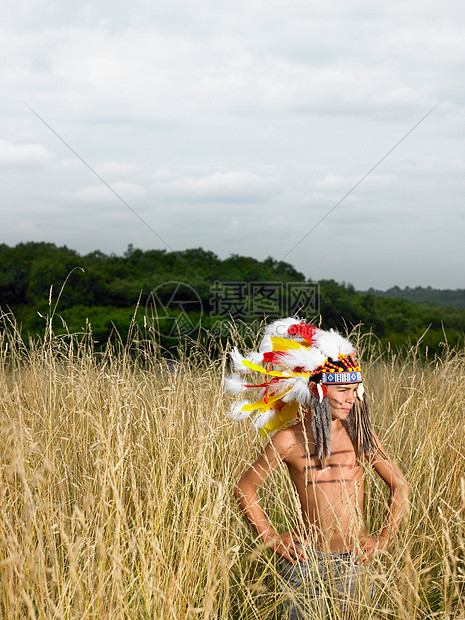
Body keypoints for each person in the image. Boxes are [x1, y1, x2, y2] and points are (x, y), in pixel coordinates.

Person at [225, 318, 409, 618]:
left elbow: (399, 485)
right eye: (343, 390)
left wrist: (385, 538)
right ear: (316, 389)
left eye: (355, 389)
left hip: (355, 561)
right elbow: (245, 489)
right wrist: (270, 536)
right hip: (305, 561)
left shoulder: (360, 434)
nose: (352, 398)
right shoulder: (287, 440)